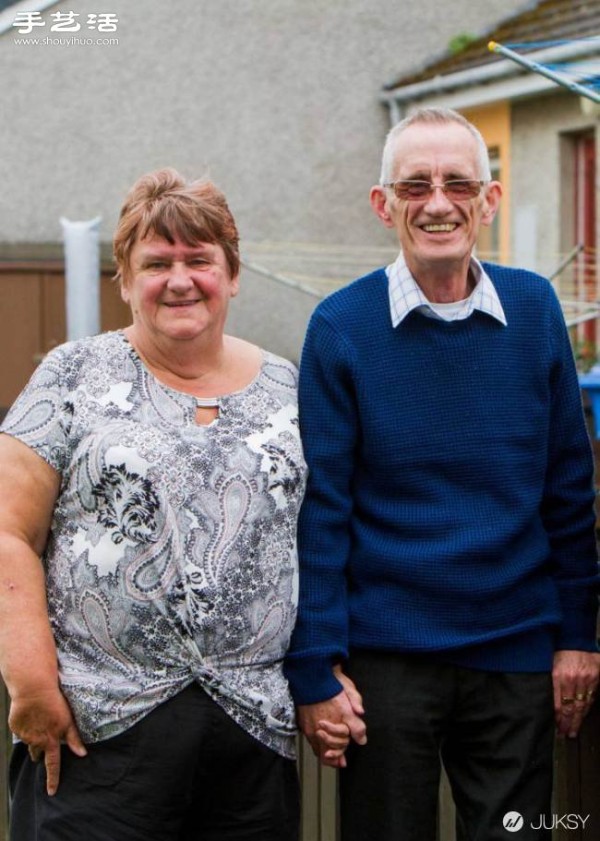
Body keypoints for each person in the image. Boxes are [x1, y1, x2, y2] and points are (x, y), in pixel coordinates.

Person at [284, 107, 600, 841]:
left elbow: (567, 487)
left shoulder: (534, 308)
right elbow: (320, 511)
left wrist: (579, 635)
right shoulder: (341, 327)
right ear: (383, 203)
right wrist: (315, 666)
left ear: (488, 200)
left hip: (517, 656)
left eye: (459, 183)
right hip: (385, 665)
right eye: (415, 184)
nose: (436, 203)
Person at [0, 168, 306, 841]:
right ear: (124, 279)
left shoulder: (289, 389)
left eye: (199, 259)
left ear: (232, 273)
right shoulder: (73, 373)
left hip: (251, 736)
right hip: (96, 731)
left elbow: (319, 538)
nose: (179, 278)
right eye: (156, 262)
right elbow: (7, 530)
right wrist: (29, 682)